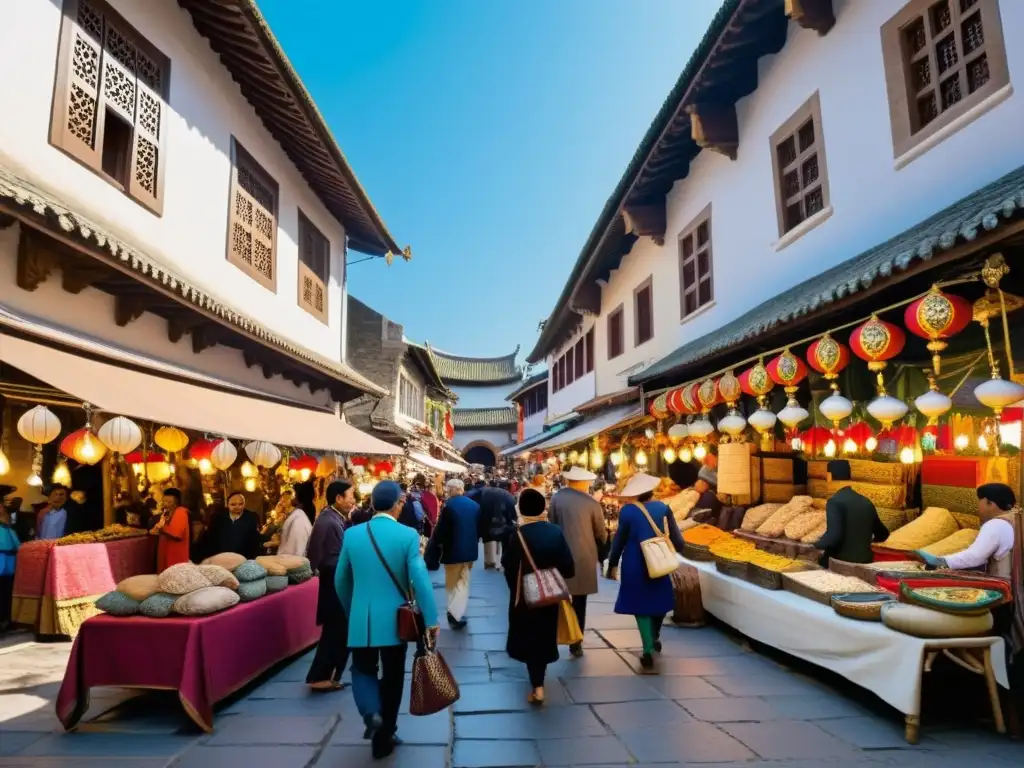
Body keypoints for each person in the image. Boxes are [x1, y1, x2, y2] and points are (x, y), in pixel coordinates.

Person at [335, 481, 439, 759]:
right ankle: (386, 734)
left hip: (362, 616)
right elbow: (420, 578)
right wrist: (431, 619)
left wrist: (351, 609)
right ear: (398, 504)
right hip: (396, 618)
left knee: (362, 670)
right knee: (393, 675)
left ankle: (371, 712)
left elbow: (340, 579)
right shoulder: (407, 535)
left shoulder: (352, 534)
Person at [607, 472, 686, 672]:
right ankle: (655, 636)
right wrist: (676, 549)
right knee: (658, 601)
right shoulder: (663, 508)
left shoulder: (628, 512)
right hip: (658, 561)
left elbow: (619, 541)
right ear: (651, 491)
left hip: (634, 563)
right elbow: (678, 540)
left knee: (640, 606)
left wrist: (612, 563)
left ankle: (648, 648)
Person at [502, 488, 574, 705]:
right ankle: (538, 682)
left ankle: (537, 685)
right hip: (548, 595)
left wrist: (515, 589)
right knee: (544, 635)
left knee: (528, 636)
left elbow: (508, 567)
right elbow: (569, 568)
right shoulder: (555, 532)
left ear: (521, 509)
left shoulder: (517, 535)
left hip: (523, 596)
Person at [549, 466, 606, 658]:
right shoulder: (591, 503)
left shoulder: (557, 498)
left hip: (559, 554)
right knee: (580, 601)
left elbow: (552, 523)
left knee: (560, 599)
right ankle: (577, 640)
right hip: (584, 557)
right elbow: (601, 533)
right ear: (582, 483)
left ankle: (559, 635)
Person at [306, 479, 356, 691]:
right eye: (350, 496)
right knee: (337, 632)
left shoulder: (332, 518)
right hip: (334, 585)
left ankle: (323, 676)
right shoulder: (329, 522)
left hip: (333, 583)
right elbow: (328, 559)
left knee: (335, 633)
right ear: (338, 498)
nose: (353, 500)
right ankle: (322, 677)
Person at [426, 478, 481, 629]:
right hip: (470, 550)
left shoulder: (449, 506)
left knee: (452, 583)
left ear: (451, 490)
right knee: (463, 581)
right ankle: (457, 612)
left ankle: (454, 614)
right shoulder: (475, 506)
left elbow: (440, 531)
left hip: (453, 550)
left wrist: (435, 544)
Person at [814, 460, 889, 565]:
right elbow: (883, 534)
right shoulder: (866, 501)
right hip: (866, 563)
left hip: (841, 564)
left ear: (829, 476)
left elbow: (833, 537)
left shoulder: (834, 502)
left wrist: (815, 545)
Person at [205, 491, 262, 561]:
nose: (237, 507)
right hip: (220, 558)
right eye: (233, 504)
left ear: (244, 504)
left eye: (240, 504)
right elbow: (211, 539)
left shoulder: (251, 518)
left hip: (243, 559)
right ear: (227, 504)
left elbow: (254, 541)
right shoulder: (218, 518)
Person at [478, 483, 517, 570]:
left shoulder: (485, 492)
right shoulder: (506, 495)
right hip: (502, 522)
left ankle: (490, 561)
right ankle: (502, 562)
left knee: (488, 539)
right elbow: (511, 508)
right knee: (504, 541)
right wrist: (511, 519)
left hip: (487, 521)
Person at [152, 488, 190, 572]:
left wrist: (162, 527)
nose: (165, 504)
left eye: (169, 502)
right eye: (164, 501)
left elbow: (176, 533)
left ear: (176, 502)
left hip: (175, 561)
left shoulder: (180, 512)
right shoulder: (168, 514)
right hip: (167, 560)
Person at [0, 501, 20, 633]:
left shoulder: (7, 524)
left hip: (10, 561)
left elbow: (16, 544)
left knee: (7, 591)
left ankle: (6, 620)